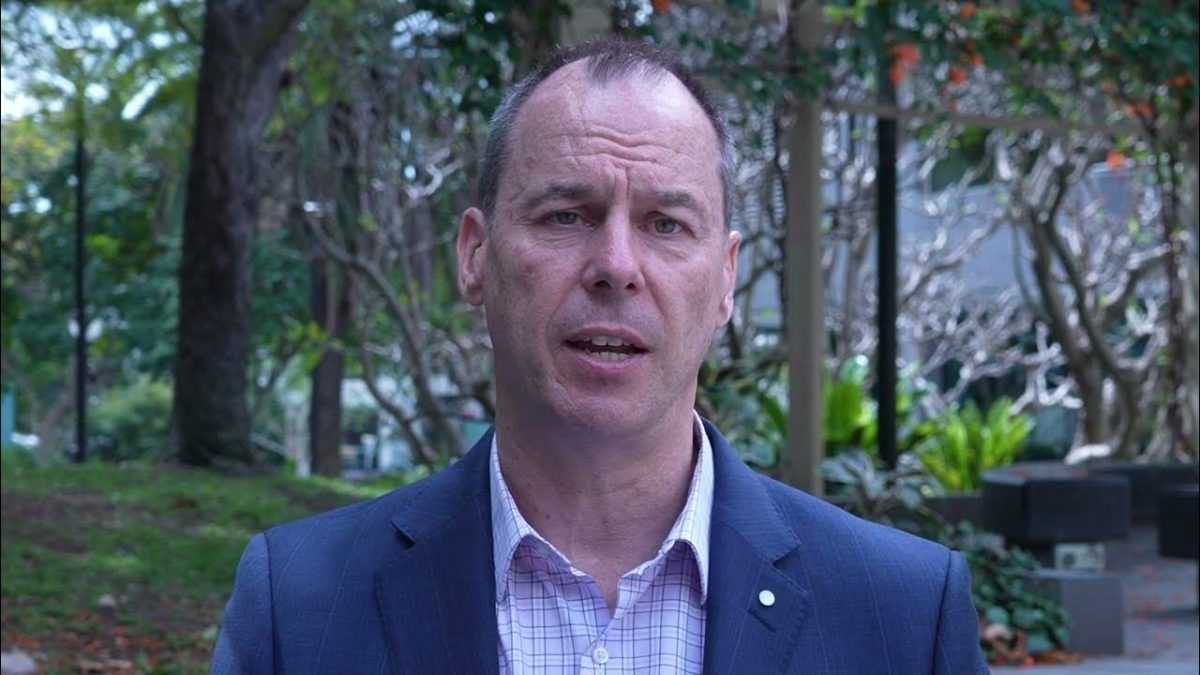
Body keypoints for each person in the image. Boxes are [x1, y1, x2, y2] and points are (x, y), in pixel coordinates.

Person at [211, 38, 987, 674]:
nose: (616, 264)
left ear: (724, 279)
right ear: (475, 256)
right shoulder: (300, 607)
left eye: (665, 224)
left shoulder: (905, 615)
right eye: (566, 214)